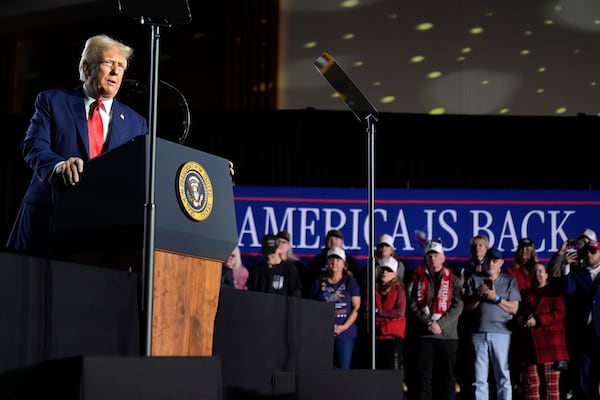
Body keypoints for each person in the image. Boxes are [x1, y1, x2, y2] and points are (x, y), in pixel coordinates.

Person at [5, 34, 149, 258]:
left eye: (121, 66)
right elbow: (33, 145)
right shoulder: (53, 101)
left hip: (101, 232)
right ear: (86, 67)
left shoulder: (136, 123)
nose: (116, 71)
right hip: (47, 220)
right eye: (108, 63)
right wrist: (59, 166)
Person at [407, 239, 464, 400]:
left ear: (443, 258)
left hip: (447, 336)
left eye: (436, 255)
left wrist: (440, 324)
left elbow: (458, 305)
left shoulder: (453, 279)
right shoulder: (418, 279)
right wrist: (428, 323)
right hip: (425, 336)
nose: (432, 258)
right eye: (429, 255)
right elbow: (413, 304)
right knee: (423, 378)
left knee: (447, 378)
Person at [463, 247, 521, 400]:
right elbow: (466, 308)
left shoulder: (509, 280)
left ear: (501, 263)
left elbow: (514, 309)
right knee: (479, 378)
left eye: (495, 261)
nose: (491, 263)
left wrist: (496, 298)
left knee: (503, 374)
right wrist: (478, 295)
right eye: (488, 260)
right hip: (478, 333)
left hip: (502, 334)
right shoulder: (473, 279)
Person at [512, 262, 569, 400]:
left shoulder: (555, 293)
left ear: (547, 275)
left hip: (551, 347)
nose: (537, 274)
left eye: (540, 271)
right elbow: (516, 314)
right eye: (534, 272)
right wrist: (519, 320)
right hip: (528, 347)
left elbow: (559, 314)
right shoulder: (523, 295)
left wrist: (538, 321)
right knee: (531, 387)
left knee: (551, 387)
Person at [309, 246, 361, 369]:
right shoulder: (319, 282)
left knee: (343, 370)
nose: (334, 262)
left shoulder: (350, 282)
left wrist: (343, 327)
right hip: (322, 333)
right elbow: (310, 306)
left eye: (338, 260)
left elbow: (356, 307)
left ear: (344, 264)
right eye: (331, 259)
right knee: (323, 370)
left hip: (345, 334)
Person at [561, 239, 600, 400]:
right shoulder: (577, 273)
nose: (589, 254)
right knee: (583, 377)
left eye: (593, 251)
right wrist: (566, 267)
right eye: (587, 251)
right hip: (583, 334)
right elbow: (568, 290)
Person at [454, 234, 491, 400]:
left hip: (489, 320)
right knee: (468, 361)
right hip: (468, 319)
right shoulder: (465, 269)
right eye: (475, 246)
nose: (478, 248)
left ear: (487, 248)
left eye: (481, 245)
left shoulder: (492, 267)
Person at [365, 255, 407, 370]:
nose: (385, 272)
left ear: (394, 274)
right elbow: (367, 311)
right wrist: (389, 315)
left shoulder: (399, 290)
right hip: (376, 336)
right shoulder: (372, 288)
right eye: (382, 269)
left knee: (392, 371)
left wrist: (379, 312)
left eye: (389, 270)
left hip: (392, 338)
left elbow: (400, 312)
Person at [305, 229, 362, 297]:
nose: (333, 241)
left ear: (342, 242)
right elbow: (309, 284)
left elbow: (359, 284)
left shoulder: (351, 261)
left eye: (337, 239)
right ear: (326, 242)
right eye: (330, 239)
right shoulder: (316, 261)